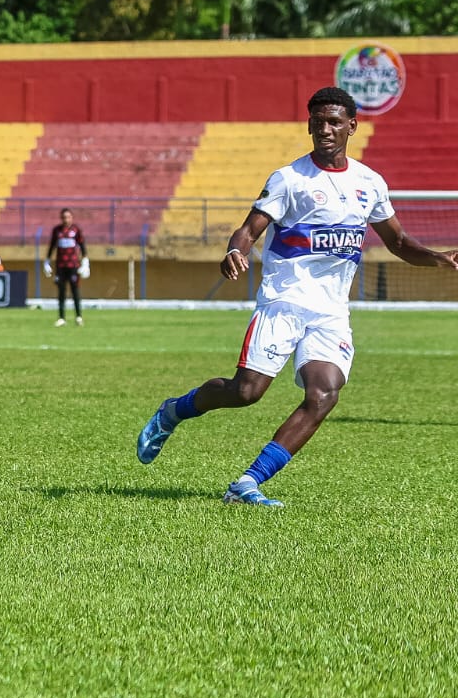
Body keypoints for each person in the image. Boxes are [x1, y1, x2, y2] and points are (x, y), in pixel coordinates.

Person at [136, 87, 458, 507]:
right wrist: (236, 250)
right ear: (309, 125)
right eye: (318, 122)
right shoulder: (289, 179)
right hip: (283, 302)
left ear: (352, 127)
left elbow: (397, 242)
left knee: (323, 394)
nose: (325, 129)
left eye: (334, 122)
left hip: (330, 313)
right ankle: (174, 411)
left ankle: (247, 484)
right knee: (246, 393)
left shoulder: (369, 183)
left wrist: (439, 258)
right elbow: (249, 229)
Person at [45, 208, 87, 326]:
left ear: (72, 218)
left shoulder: (76, 230)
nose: (66, 219)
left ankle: (78, 317)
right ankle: (61, 318)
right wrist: (47, 261)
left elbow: (82, 245)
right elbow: (52, 246)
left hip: (73, 265)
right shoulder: (57, 230)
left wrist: (85, 261)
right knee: (61, 292)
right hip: (60, 266)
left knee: (75, 291)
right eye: (64, 217)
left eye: (68, 217)